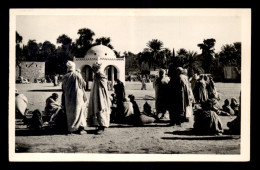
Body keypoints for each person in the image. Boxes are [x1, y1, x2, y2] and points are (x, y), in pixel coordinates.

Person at [62, 61, 87, 135]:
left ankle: (71, 128)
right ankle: (80, 128)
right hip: (77, 96)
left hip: (68, 97)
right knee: (79, 112)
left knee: (70, 112)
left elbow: (63, 88)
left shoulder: (65, 76)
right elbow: (84, 84)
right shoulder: (77, 75)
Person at [87, 62, 111, 134]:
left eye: (93, 68)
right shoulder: (96, 74)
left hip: (101, 94)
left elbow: (103, 84)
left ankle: (102, 127)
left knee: (101, 109)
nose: (93, 69)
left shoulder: (100, 74)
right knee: (97, 109)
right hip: (96, 94)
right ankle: (99, 125)